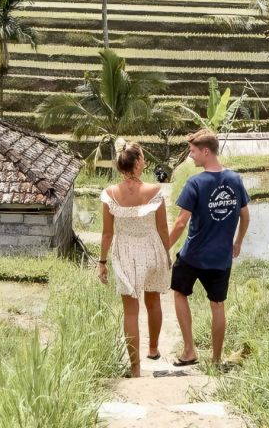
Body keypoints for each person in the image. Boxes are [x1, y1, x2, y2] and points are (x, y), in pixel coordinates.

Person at [168, 129, 250, 369]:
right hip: (221, 257)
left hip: (193, 254)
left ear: (206, 152)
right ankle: (215, 361)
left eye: (193, 152)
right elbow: (245, 216)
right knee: (217, 305)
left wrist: (164, 247)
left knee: (179, 293)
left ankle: (189, 350)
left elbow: (181, 222)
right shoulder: (235, 180)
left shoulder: (195, 182)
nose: (191, 156)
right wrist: (238, 242)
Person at [97, 140, 172, 378]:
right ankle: (153, 348)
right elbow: (163, 229)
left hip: (125, 252)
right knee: (153, 302)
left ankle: (135, 368)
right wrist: (167, 256)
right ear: (138, 163)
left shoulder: (110, 194)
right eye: (143, 158)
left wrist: (102, 262)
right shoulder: (154, 192)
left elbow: (107, 233)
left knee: (130, 312)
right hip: (151, 249)